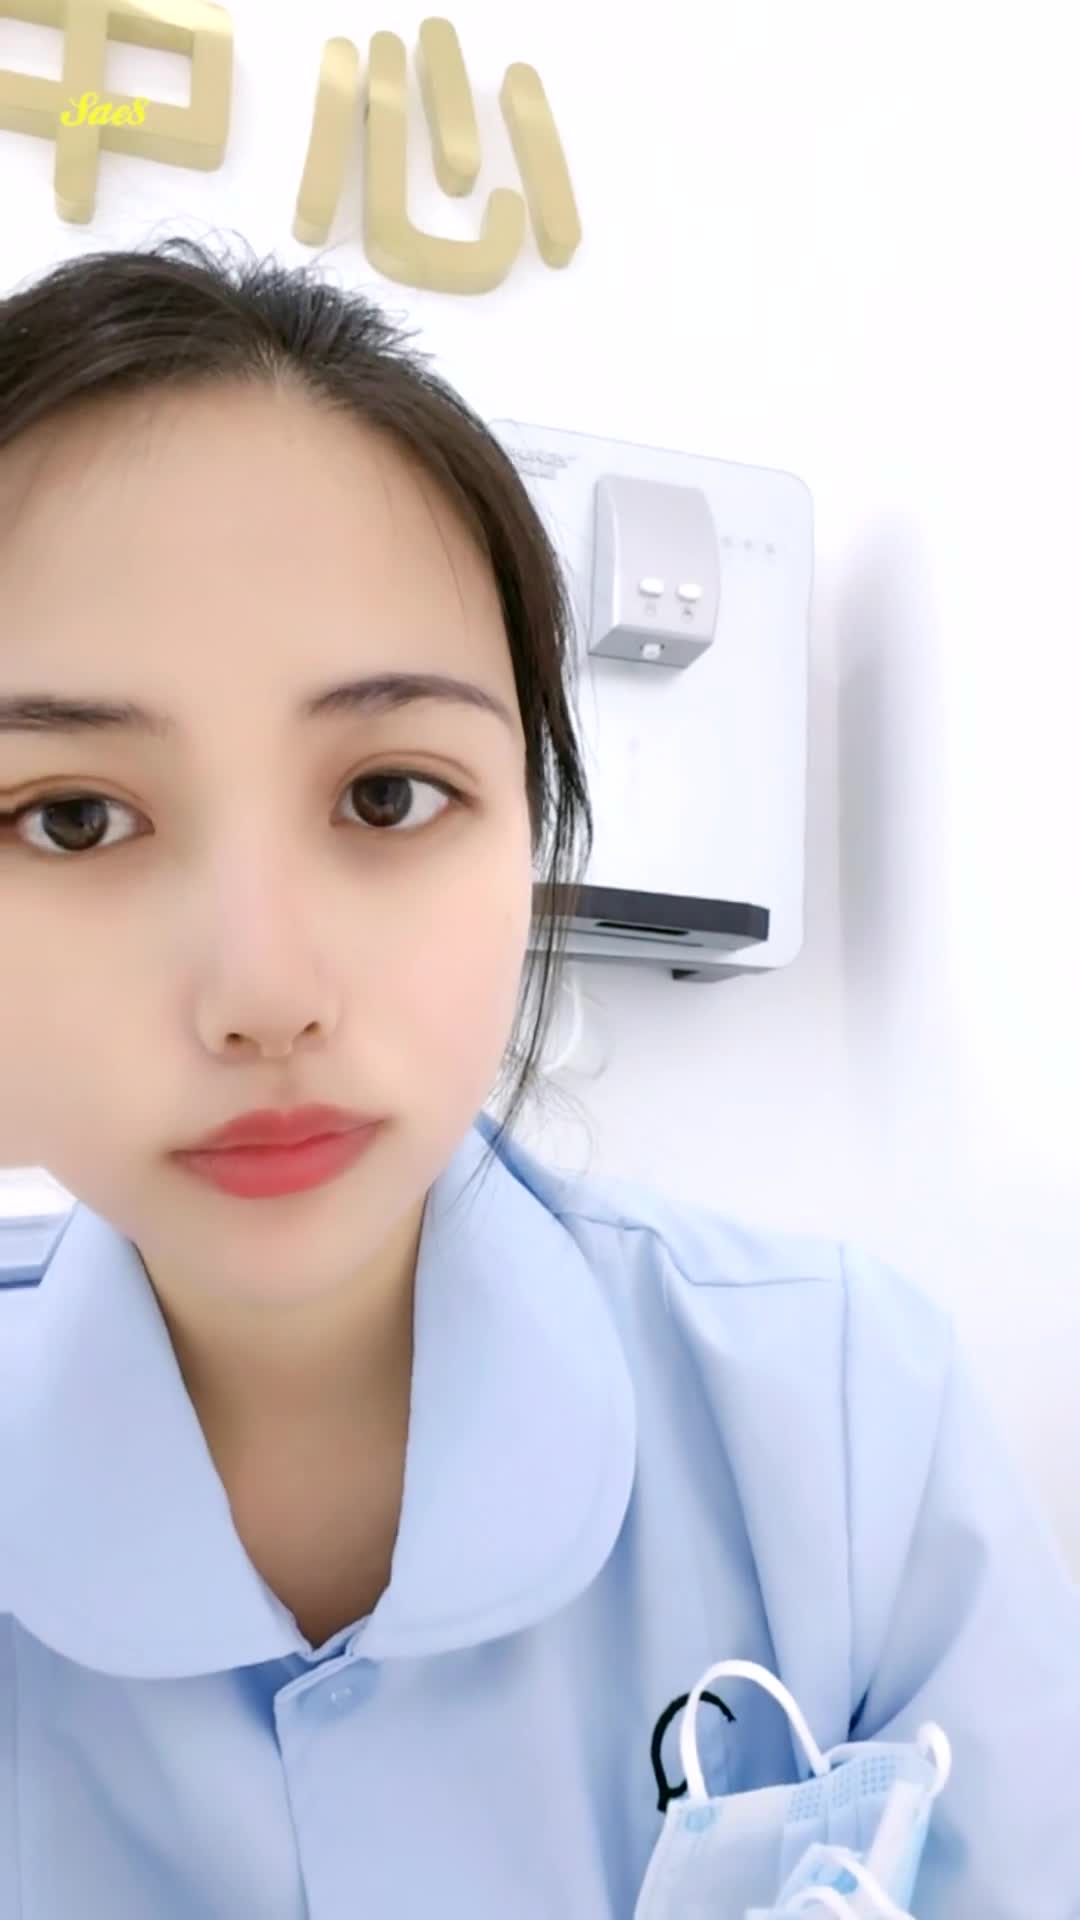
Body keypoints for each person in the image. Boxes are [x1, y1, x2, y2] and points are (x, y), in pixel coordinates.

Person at [0, 235, 1076, 1920]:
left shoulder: (852, 1426)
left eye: (386, 796)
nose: (264, 992)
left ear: (535, 835)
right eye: (74, 818)